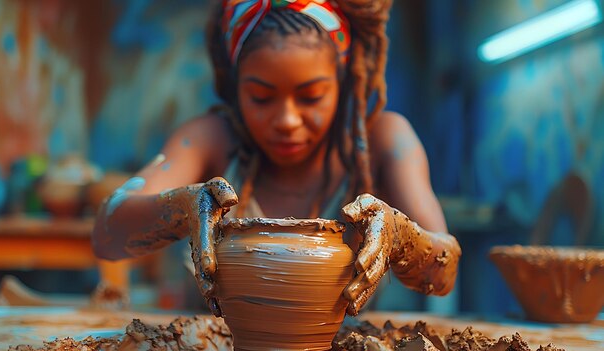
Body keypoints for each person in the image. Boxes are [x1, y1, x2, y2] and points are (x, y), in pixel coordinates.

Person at [92, 0, 461, 317]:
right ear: (236, 87)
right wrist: (183, 209)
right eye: (262, 98)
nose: (287, 120)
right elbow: (107, 234)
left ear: (344, 80)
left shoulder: (383, 140)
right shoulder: (211, 140)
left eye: (312, 96)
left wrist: (400, 236)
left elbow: (446, 273)